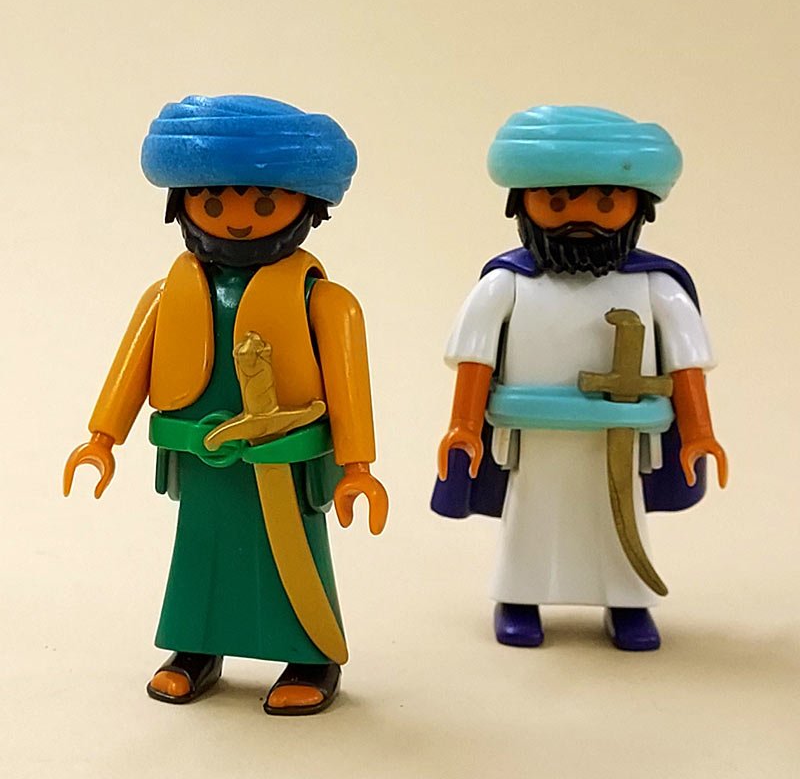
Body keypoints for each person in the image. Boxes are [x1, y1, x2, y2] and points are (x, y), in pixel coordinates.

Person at [64, 95, 388, 714]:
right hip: (203, 461)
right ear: (182, 203)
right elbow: (130, 369)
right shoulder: (170, 294)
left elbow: (351, 388)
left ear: (307, 204)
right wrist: (102, 439)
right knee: (200, 557)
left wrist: (358, 467)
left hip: (283, 465)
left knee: (294, 559)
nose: (238, 219)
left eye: (264, 203)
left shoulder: (325, 302)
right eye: (213, 202)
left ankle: (311, 658)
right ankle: (194, 652)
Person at [433, 105, 726, 651]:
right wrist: (464, 426)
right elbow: (475, 358)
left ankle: (628, 603)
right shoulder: (505, 284)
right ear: (521, 203)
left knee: (619, 519)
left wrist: (699, 431)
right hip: (535, 437)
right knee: (532, 515)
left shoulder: (656, 286)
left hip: (621, 437)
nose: (581, 216)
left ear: (639, 207)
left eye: (606, 202)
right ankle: (519, 597)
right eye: (557, 201)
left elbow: (686, 360)